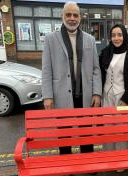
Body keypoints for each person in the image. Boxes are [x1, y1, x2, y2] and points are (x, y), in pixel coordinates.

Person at [42, 1, 102, 157]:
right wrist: (47, 96)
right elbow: (46, 70)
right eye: (68, 14)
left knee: (86, 132)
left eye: (75, 15)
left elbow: (96, 68)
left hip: (85, 93)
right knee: (64, 132)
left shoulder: (89, 39)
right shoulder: (50, 39)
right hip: (61, 93)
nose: (72, 18)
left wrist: (97, 93)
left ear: (80, 17)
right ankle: (66, 164)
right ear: (63, 16)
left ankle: (87, 161)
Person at [99, 24, 128, 159]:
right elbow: (99, 73)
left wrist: (127, 99)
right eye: (113, 35)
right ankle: (109, 156)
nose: (116, 38)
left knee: (122, 129)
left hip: (124, 97)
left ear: (124, 36)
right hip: (106, 96)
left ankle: (122, 158)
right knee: (108, 128)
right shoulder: (105, 52)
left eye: (119, 35)